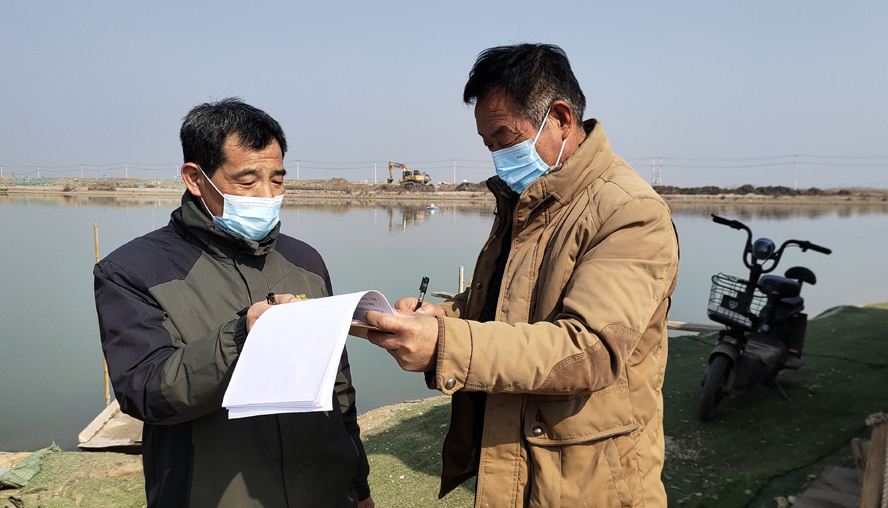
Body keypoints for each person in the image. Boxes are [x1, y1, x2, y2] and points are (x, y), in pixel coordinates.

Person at [364, 44, 679, 507]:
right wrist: (443, 315)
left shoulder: (629, 211)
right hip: (518, 463)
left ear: (561, 119)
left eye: (505, 138)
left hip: (589, 483)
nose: (497, 156)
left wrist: (447, 344)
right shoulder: (528, 200)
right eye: (488, 145)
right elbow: (510, 301)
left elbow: (589, 348)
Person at [94, 98, 374, 508]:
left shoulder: (306, 262)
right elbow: (144, 391)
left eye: (277, 180)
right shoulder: (131, 271)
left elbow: (338, 384)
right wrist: (241, 337)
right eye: (247, 181)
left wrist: (358, 484)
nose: (267, 195)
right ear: (195, 178)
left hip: (324, 492)